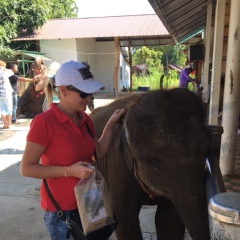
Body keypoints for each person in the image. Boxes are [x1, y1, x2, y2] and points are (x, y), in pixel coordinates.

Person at [20, 60, 125, 240]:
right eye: (84, 93)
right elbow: (27, 168)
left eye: (90, 93)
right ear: (63, 90)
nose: (89, 98)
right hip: (62, 210)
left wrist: (110, 124)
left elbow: (98, 152)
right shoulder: (44, 122)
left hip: (90, 201)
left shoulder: (85, 119)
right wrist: (69, 171)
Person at [0, 60, 14, 129]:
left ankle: (5, 124)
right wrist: (5, 69)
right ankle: (9, 124)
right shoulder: (4, 72)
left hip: (0, 94)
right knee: (9, 108)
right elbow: (11, 72)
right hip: (6, 92)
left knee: (2, 109)